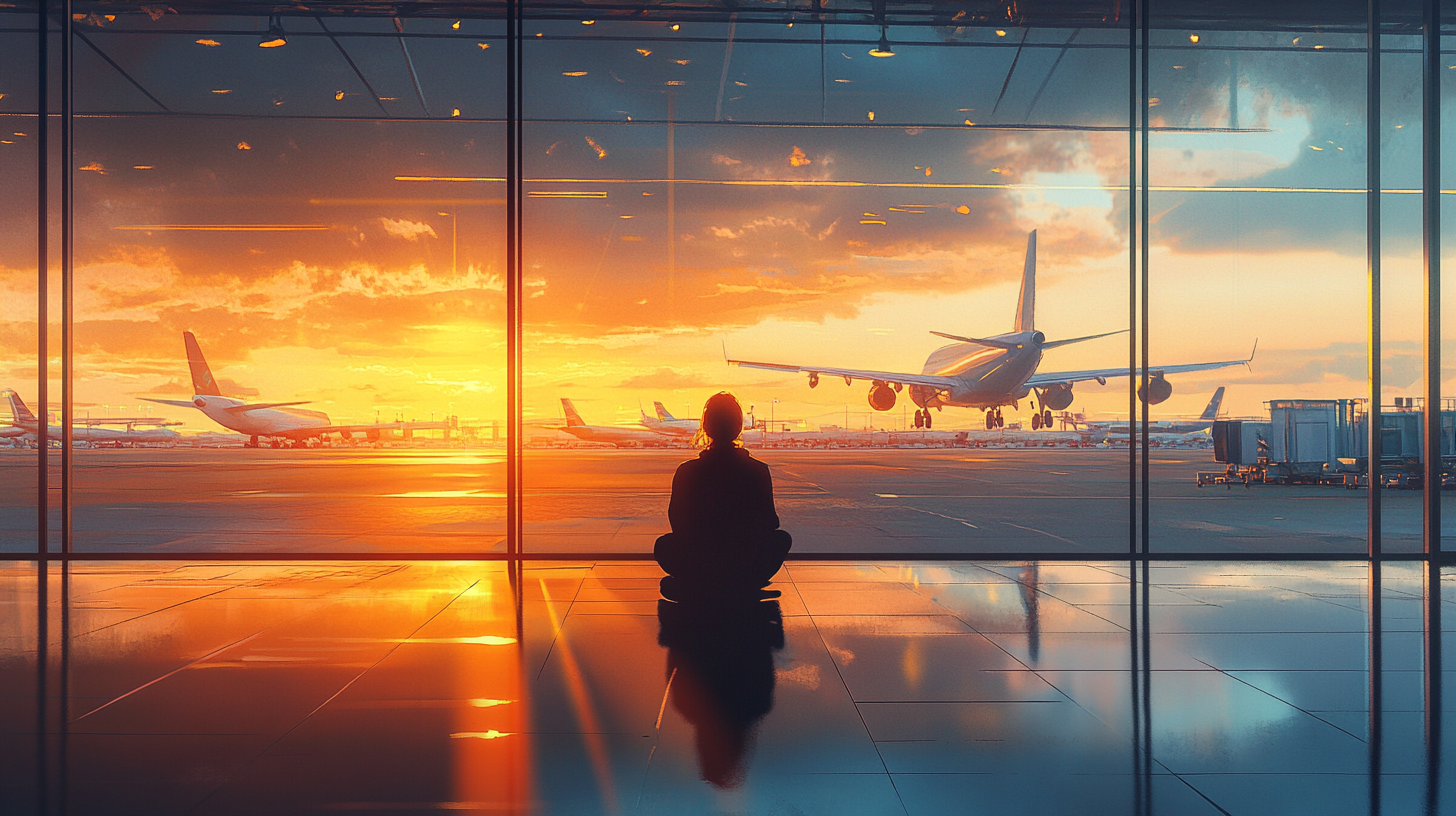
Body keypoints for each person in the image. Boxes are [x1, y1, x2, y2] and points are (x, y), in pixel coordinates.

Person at [655, 392, 792, 601]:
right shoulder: (758, 470)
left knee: (663, 545)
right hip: (745, 564)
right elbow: (770, 522)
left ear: (706, 427)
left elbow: (678, 523)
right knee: (782, 539)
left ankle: (698, 586)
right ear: (739, 427)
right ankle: (744, 585)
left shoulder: (687, 471)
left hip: (700, 562)